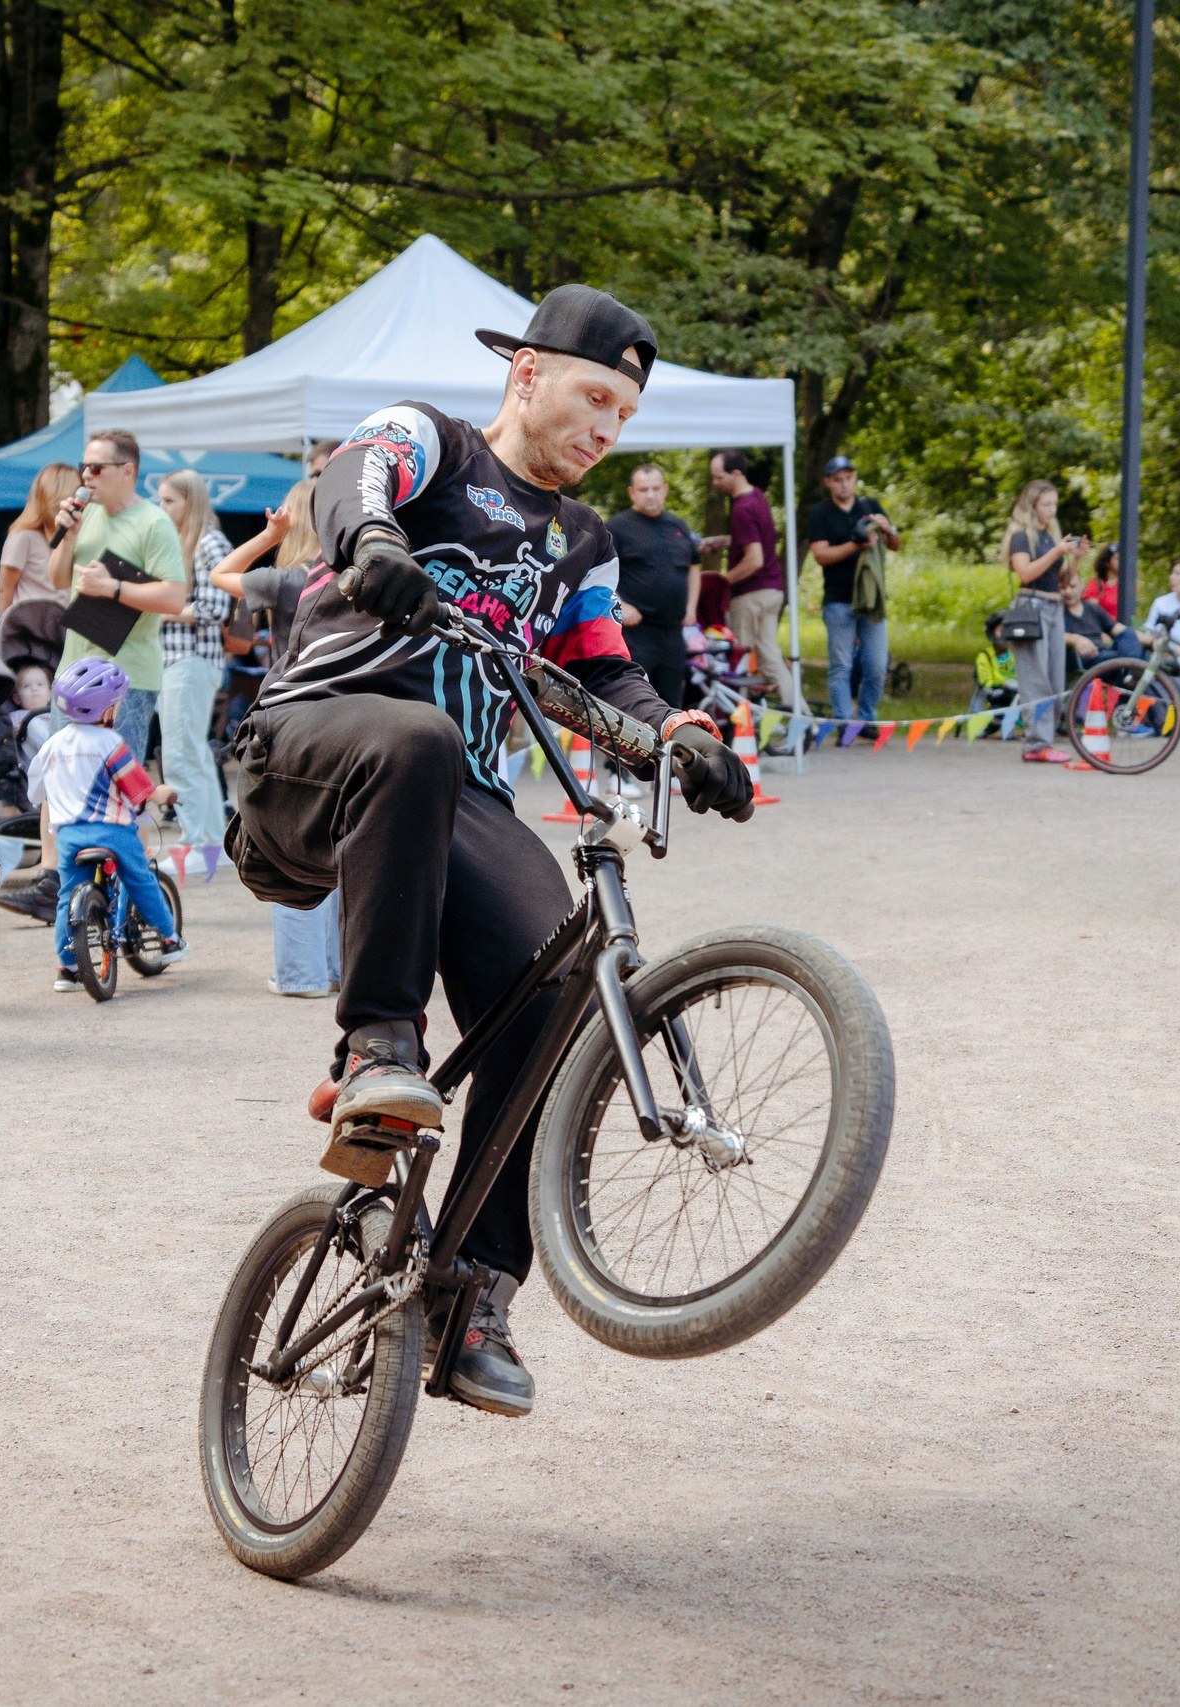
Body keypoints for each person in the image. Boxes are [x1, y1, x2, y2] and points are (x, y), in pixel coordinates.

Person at [227, 283, 755, 1419]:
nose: (605, 431)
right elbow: (346, 479)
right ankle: (377, 1047)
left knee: (558, 996)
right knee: (414, 739)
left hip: (454, 799)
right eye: (592, 399)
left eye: (623, 416)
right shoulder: (434, 442)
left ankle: (468, 1293)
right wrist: (372, 544)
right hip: (308, 755)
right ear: (528, 374)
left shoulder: (583, 539)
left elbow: (598, 673)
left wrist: (678, 733)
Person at [210, 482, 340, 998]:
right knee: (334, 844)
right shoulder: (353, 578)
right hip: (343, 715)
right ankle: (330, 968)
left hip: (288, 716)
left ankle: (300, 973)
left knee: (289, 842)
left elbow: (223, 576)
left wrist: (269, 534)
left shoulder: (288, 579)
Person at [31, 657, 189, 989]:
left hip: (69, 836)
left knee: (66, 895)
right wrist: (165, 794)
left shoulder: (52, 745)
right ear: (106, 711)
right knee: (140, 880)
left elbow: (37, 790)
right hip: (113, 832)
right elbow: (139, 791)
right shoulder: (110, 744)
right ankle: (169, 938)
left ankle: (67, 967)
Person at [46, 430, 190, 761]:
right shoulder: (86, 513)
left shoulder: (154, 523)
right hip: (72, 673)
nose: (85, 475)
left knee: (116, 792)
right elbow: (56, 579)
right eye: (83, 466)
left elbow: (174, 598)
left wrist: (112, 588)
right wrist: (68, 537)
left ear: (127, 471)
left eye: (96, 468)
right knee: (59, 782)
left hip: (125, 680)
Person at [153, 468, 235, 849]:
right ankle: (209, 840)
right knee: (193, 751)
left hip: (191, 658)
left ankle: (195, 841)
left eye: (169, 500)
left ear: (192, 501)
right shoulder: (188, 541)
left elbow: (217, 608)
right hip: (180, 658)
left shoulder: (208, 542)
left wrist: (160, 607)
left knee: (180, 754)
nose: (161, 507)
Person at [805, 454, 899, 742]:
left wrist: (887, 528)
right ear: (828, 483)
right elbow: (821, 555)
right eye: (837, 480)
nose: (844, 485)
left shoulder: (869, 507)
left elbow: (896, 545)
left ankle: (867, 718)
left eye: (848, 478)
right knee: (841, 665)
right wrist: (855, 545)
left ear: (854, 478)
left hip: (871, 600)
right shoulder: (820, 513)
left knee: (876, 665)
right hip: (838, 600)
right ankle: (846, 722)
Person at [1003, 478, 1088, 762]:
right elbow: (1025, 573)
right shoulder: (1021, 536)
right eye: (1046, 504)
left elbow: (1064, 580)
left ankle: (1045, 741)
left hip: (1054, 607)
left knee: (1054, 678)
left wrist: (1076, 558)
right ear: (1032, 505)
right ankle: (1035, 744)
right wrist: (1057, 552)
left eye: (1054, 505)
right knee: (1034, 680)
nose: (1052, 510)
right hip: (1032, 607)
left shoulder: (1051, 535)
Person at [606, 463, 701, 711]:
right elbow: (595, 572)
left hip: (673, 632)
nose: (650, 494)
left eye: (656, 488)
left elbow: (693, 568)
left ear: (666, 490)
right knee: (635, 701)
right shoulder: (617, 528)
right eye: (643, 489)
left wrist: (691, 607)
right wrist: (619, 603)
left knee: (671, 704)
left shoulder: (678, 526)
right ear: (632, 493)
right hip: (637, 633)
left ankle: (668, 750)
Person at [708, 449, 786, 694]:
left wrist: (722, 582)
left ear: (737, 473)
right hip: (773, 590)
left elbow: (754, 560)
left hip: (750, 595)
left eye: (719, 477)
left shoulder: (742, 508)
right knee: (770, 657)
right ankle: (801, 718)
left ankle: (739, 723)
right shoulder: (758, 497)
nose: (715, 482)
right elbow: (753, 539)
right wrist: (724, 540)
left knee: (739, 660)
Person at [0, 463, 79, 611]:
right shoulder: (23, 536)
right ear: (59, 494)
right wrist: (7, 630)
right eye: (76, 491)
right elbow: (4, 590)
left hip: (63, 626)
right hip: (30, 627)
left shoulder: (75, 535)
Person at [1062, 578, 1141, 672]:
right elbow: (1051, 635)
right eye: (1062, 587)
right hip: (1082, 658)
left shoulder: (1093, 609)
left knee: (1128, 633)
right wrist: (1076, 639)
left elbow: (1120, 630)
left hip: (1103, 653)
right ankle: (1131, 673)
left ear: (1081, 585)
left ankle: (1130, 672)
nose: (1068, 592)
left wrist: (1152, 642)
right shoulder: (1056, 612)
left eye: (1072, 587)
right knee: (1133, 660)